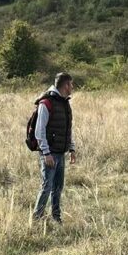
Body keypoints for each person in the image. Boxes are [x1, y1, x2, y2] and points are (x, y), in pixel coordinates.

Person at [31, 72, 77, 223]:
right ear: (65, 85)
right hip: (50, 154)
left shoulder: (64, 102)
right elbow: (39, 131)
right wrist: (46, 153)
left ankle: (56, 218)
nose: (72, 87)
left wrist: (71, 148)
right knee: (46, 186)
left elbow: (67, 128)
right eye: (71, 84)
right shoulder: (46, 103)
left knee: (58, 187)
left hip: (60, 152)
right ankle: (37, 219)